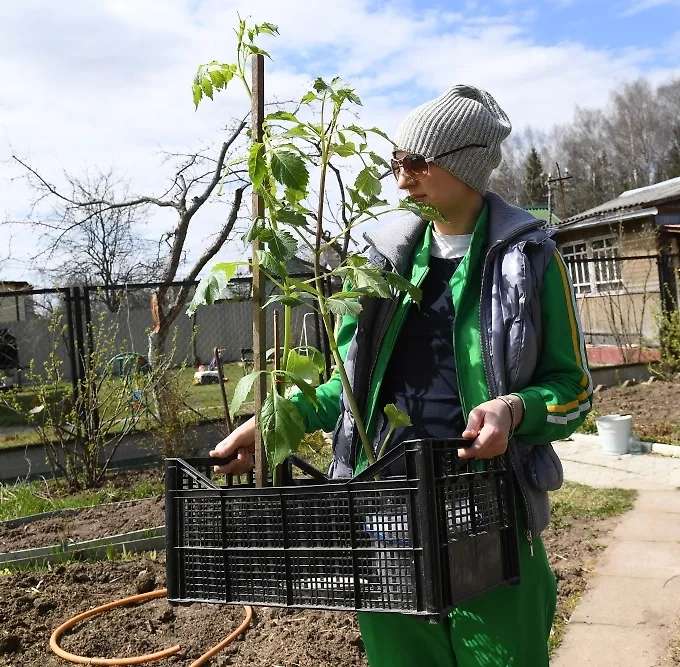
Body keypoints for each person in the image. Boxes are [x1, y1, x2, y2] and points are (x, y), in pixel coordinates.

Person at [211, 84, 593, 666]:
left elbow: (575, 392)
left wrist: (512, 411)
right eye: (396, 162)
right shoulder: (382, 265)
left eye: (417, 162)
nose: (401, 177)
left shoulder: (528, 261)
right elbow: (347, 385)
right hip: (384, 514)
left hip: (486, 511)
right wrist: (271, 425)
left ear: (463, 166)